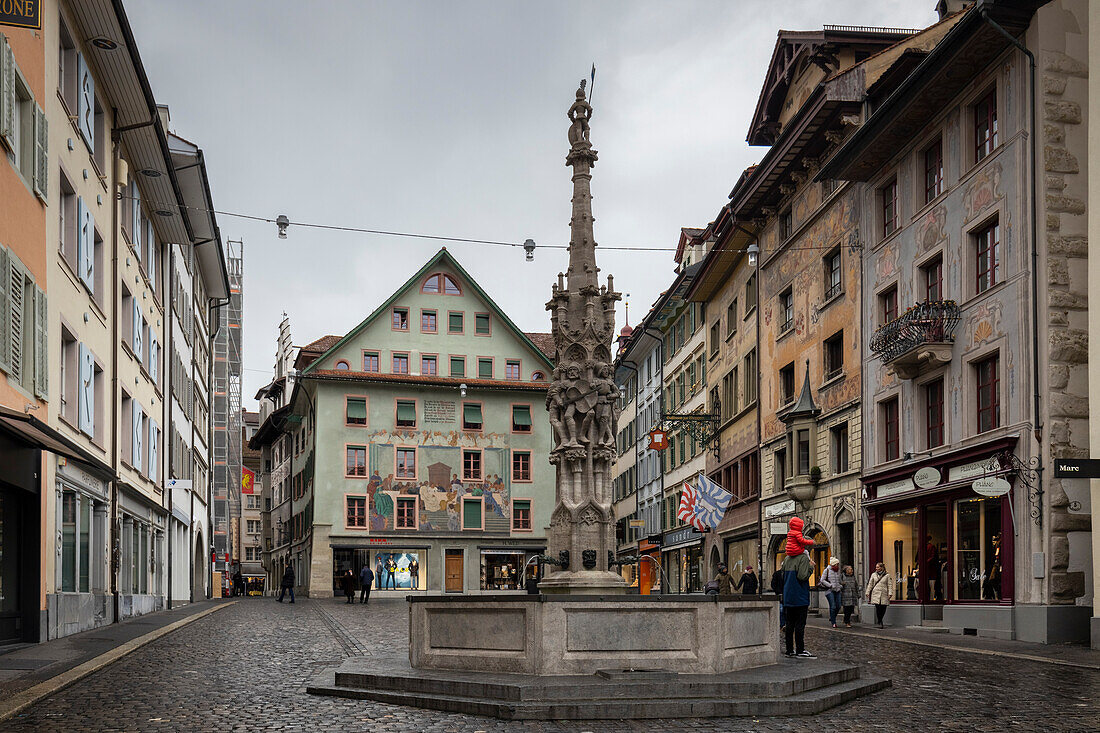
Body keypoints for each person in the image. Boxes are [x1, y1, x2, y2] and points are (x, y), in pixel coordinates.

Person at [781, 543, 815, 658]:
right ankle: (800, 649)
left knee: (789, 625)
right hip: (800, 597)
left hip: (788, 597)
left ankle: (789, 650)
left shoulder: (787, 559)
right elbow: (802, 576)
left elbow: (782, 576)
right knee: (800, 625)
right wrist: (811, 567)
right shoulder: (803, 558)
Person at [867, 561, 893, 628]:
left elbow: (889, 585)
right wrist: (867, 592)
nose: (876, 568)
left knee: (883, 608)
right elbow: (870, 584)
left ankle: (880, 620)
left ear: (882, 568)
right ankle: (880, 621)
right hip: (876, 593)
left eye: (878, 567)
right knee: (878, 608)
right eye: (876, 567)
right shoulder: (873, 575)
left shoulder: (887, 575)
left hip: (884, 593)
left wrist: (890, 593)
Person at [820, 557, 843, 628]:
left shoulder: (838, 571)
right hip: (829, 591)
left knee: (838, 606)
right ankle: (833, 622)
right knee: (833, 606)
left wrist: (840, 585)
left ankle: (832, 616)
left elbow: (839, 580)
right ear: (833, 564)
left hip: (837, 590)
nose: (838, 566)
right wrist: (830, 585)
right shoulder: (827, 570)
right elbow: (822, 580)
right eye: (837, 564)